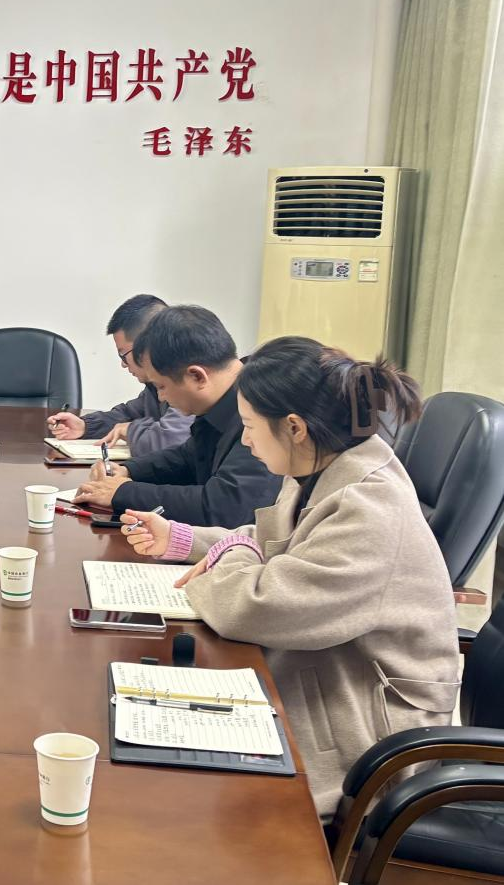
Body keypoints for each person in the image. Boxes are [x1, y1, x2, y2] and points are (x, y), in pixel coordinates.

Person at [120, 336, 460, 820]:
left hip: (371, 733)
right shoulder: (324, 464)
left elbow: (255, 606)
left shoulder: (369, 507)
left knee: (186, 802)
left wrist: (227, 557)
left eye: (249, 426)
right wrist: (182, 539)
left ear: (294, 427)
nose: (246, 441)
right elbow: (270, 541)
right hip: (325, 677)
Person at [74, 305, 281, 527]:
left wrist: (123, 492)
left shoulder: (263, 408)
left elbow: (224, 508)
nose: (161, 397)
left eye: (161, 386)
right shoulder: (222, 401)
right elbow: (189, 458)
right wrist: (129, 470)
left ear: (197, 376)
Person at [46, 294, 193, 456]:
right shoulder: (155, 385)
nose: (123, 364)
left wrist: (130, 430)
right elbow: (129, 414)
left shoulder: (187, 379)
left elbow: (169, 439)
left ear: (148, 345)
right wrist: (85, 426)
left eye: (123, 355)